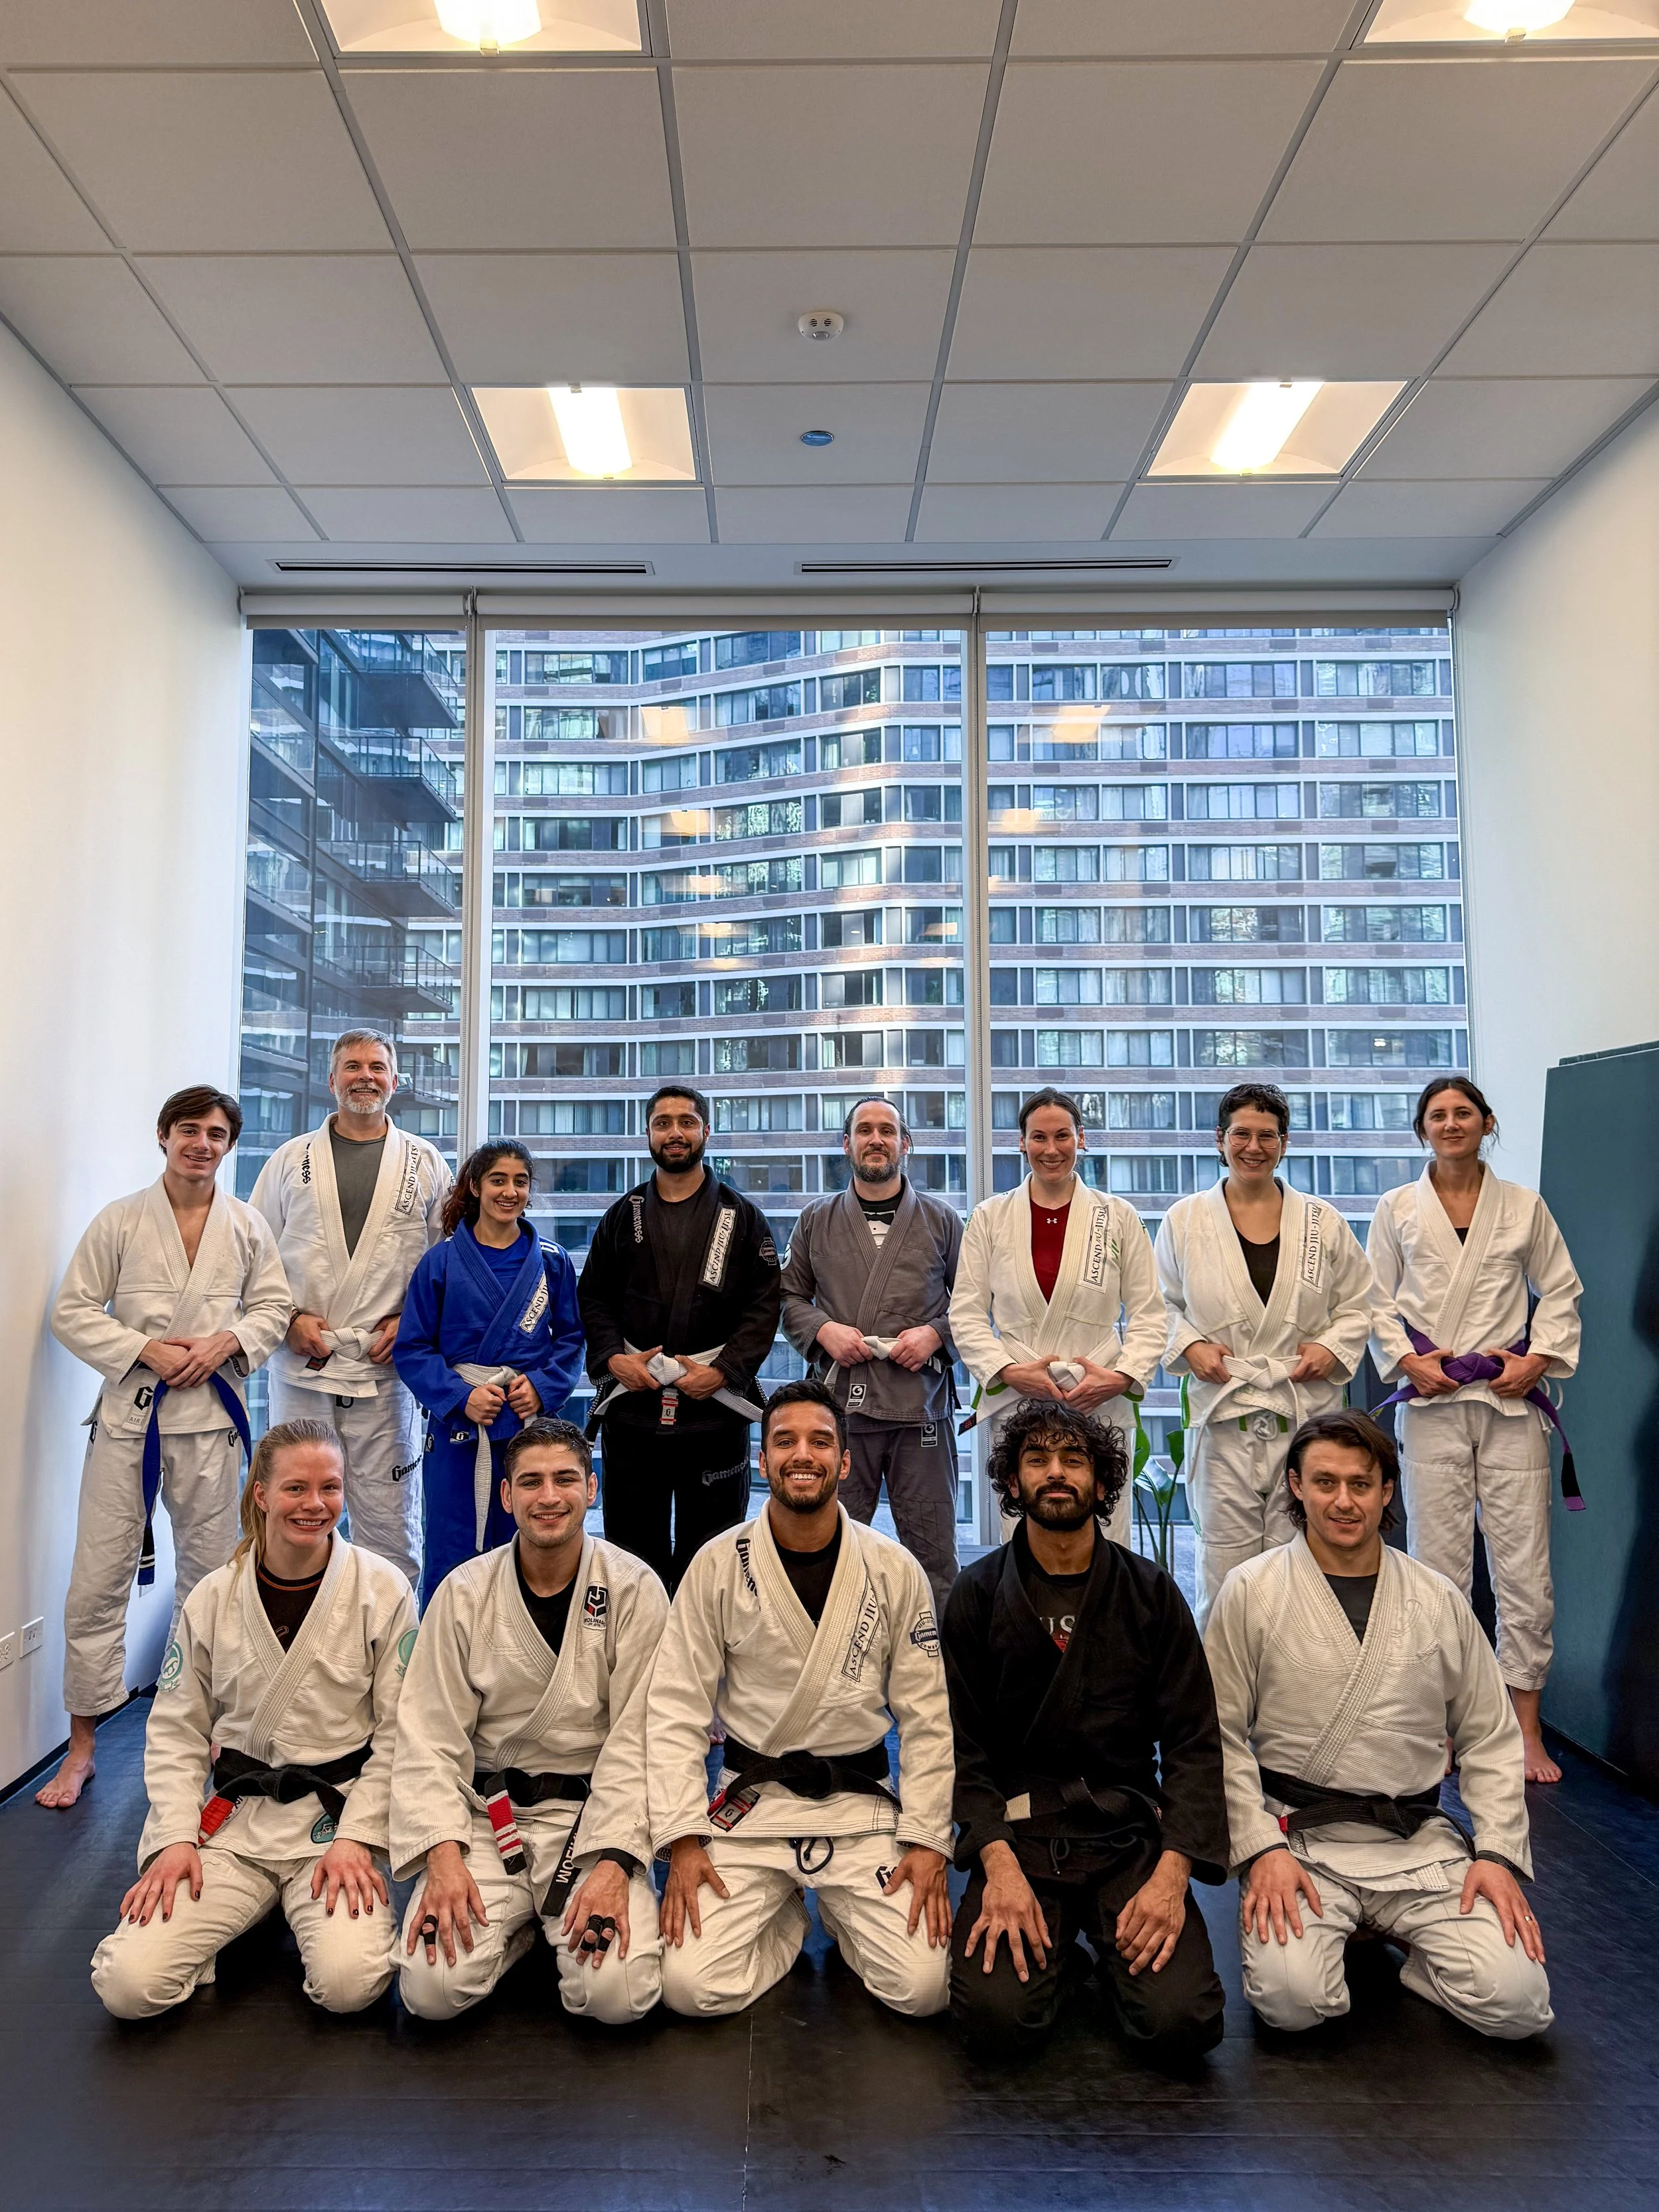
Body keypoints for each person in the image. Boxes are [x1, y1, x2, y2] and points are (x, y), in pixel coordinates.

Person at [1206, 1409, 1553, 2041]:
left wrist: (1498, 1854)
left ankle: (1417, 1958)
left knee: (1519, 2005)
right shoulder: (1250, 1590)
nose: (1344, 1501)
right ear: (1296, 1486)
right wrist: (1260, 1849)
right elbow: (1218, 1737)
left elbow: (1491, 1735)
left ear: (1386, 1491)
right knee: (1293, 2002)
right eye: (1325, 1483)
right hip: (1301, 1842)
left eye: (1361, 1485)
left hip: (1417, 1842)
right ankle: (1347, 1932)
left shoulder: (1437, 1596)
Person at [647, 1379, 954, 2020]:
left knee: (922, 1990)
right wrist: (683, 1840)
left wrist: (926, 1840)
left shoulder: (893, 1568)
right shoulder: (716, 1564)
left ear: (844, 1461)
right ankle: (783, 1917)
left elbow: (927, 1718)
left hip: (860, 1804)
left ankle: (845, 1917)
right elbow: (675, 1711)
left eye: (820, 1441)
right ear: (762, 1461)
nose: (802, 1455)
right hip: (751, 1803)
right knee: (689, 1987)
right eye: (784, 1442)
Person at [89, 1418, 416, 2020]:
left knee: (351, 1985)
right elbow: (177, 1730)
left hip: (332, 1820)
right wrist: (175, 1838)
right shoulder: (212, 1596)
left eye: (330, 1488)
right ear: (261, 1493)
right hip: (236, 1820)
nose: (315, 1505)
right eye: (296, 1488)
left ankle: (284, 1909)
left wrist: (359, 1838)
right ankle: (249, 1907)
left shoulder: (384, 1589)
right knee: (128, 1986)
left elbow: (401, 1735)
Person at [942, 1400, 1229, 2061]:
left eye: (1074, 1460)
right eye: (1037, 1459)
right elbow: (967, 1752)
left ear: (1102, 1484)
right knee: (993, 2021)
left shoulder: (1151, 1594)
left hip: (1123, 1835)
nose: (1056, 1473)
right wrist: (995, 1863)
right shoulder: (977, 1595)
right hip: (1021, 1836)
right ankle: (1064, 1956)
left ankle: (1096, 1948)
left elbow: (1192, 1745)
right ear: (1011, 1483)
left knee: (1181, 2022)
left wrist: (1171, 1874)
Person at [40, 1085, 291, 1809]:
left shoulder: (244, 1226)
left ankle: (202, 1737)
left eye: (216, 1133)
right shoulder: (120, 1220)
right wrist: (146, 1346)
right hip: (131, 1418)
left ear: (228, 1145)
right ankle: (82, 1746)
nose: (202, 1143)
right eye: (190, 1129)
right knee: (97, 1580)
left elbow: (273, 1306)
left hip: (210, 1422)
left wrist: (224, 1343)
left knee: (211, 1585)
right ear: (163, 1136)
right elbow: (72, 1310)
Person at [392, 1418, 668, 2026]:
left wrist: (619, 1861)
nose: (550, 1496)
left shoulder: (634, 1588)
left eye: (566, 1479)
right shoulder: (462, 1593)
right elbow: (427, 1736)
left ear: (591, 1489)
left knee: (617, 1996)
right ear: (506, 1495)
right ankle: (521, 1931)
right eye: (533, 1482)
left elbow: (641, 1739)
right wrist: (442, 1855)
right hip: (489, 1819)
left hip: (591, 1820)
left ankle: (542, 1920)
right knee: (429, 1992)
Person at [1368, 1076, 1583, 1784]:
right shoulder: (1396, 1208)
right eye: (1438, 1114)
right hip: (1431, 1398)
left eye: (1463, 1113)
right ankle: (1444, 1722)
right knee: (1436, 1565)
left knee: (1524, 1563)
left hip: (1506, 1395)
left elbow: (1560, 1288)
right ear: (1420, 1128)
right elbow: (1370, 1301)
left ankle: (1524, 1725)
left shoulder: (1522, 1206)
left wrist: (1538, 1359)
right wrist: (1404, 1359)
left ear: (1487, 1123)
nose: (1451, 1123)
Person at [1155, 1082, 1374, 1632]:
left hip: (1303, 1415)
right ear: (1220, 1140)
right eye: (1242, 1135)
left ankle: (1297, 1695)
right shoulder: (1184, 1220)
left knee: (1303, 1559)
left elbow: (1360, 1304)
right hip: (1225, 1413)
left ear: (1285, 1143)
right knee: (1223, 1567)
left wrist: (1331, 1346)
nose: (1254, 1147)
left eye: (1267, 1136)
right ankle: (1220, 1711)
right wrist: (1191, 1346)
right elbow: (1156, 1306)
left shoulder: (1323, 1221)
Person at [251, 1028, 451, 1590]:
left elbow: (446, 1268)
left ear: (394, 1079)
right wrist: (287, 1321)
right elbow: (255, 1255)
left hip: (387, 1371)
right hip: (304, 1367)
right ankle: (294, 1640)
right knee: (295, 1510)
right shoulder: (290, 1160)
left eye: (377, 1067)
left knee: (391, 1524)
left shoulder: (426, 1161)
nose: (366, 1076)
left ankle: (392, 1663)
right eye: (353, 1066)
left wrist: (410, 1324)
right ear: (332, 1079)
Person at [577, 1085, 782, 1593]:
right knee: (630, 1546)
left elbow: (764, 1305)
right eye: (663, 1123)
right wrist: (610, 1359)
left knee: (714, 1550)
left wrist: (726, 1371)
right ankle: (636, 1658)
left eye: (687, 1122)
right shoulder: (623, 1215)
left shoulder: (742, 1216)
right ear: (648, 1134)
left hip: (713, 1407)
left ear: (705, 1132)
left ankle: (706, 1661)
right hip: (635, 1406)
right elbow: (594, 1298)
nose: (675, 1133)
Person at [950, 1087, 1164, 1546]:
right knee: (1023, 1534)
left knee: (1107, 1533)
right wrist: (1007, 1371)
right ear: (1021, 1143)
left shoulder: (1119, 1217)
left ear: (1080, 1139)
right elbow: (965, 1313)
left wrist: (1122, 1376)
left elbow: (1149, 1313)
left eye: (1062, 1136)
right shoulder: (989, 1218)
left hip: (1097, 1396)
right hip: (1019, 1395)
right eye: (1039, 1138)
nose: (1051, 1149)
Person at [780, 1094, 963, 1614]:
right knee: (830, 1547)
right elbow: (788, 1297)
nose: (876, 1140)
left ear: (906, 1144)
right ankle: (829, 1668)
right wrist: (823, 1330)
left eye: (887, 1130)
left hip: (920, 1410)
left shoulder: (942, 1220)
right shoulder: (816, 1219)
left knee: (933, 1556)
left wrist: (934, 1335)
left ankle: (938, 1681)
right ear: (847, 1144)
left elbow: (976, 1305)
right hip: (843, 1413)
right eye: (865, 1130)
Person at [392, 1142, 583, 1603]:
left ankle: (529, 1646)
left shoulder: (552, 1261)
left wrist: (541, 1388)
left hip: (527, 1424)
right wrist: (460, 1397)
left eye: (520, 1182)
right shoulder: (440, 1262)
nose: (510, 1191)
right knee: (454, 1545)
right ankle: (446, 1658)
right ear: (476, 1187)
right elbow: (413, 1347)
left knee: (532, 1540)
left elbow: (572, 1339)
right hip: (463, 1425)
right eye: (498, 1180)